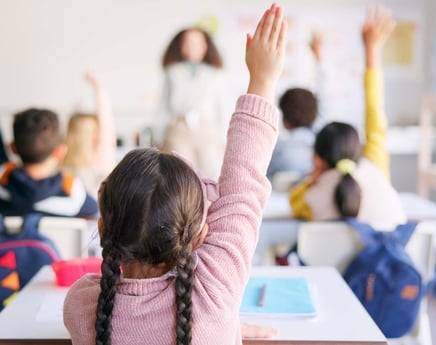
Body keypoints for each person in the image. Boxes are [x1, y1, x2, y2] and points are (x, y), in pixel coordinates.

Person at [63, 4, 287, 344]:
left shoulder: (81, 306)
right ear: (199, 237)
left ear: (103, 227)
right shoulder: (217, 292)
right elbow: (243, 188)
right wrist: (263, 78)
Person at [289, 6, 405, 227]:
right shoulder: (374, 165)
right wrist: (371, 50)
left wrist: (312, 179)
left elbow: (293, 199)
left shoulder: (310, 199)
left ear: (316, 159)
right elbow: (375, 111)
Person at [0, 41, 97, 218]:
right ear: (60, 151)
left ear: (12, 148)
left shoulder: (2, 179)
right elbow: (96, 212)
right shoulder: (73, 193)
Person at [158, 26, 229, 179]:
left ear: (205, 47)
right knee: (180, 175)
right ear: (180, 46)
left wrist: (224, 140)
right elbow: (162, 107)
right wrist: (158, 138)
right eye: (187, 43)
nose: (192, 47)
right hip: (178, 129)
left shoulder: (215, 74)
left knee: (211, 173)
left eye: (197, 43)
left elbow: (222, 108)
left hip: (207, 130)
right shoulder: (172, 72)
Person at [267, 32, 325, 184]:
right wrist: (318, 59)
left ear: (285, 120)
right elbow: (325, 94)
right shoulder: (322, 151)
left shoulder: (275, 152)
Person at [63, 72, 117, 196]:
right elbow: (106, 121)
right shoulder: (101, 158)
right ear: (94, 134)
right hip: (97, 213)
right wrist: (98, 87)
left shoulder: (62, 160)